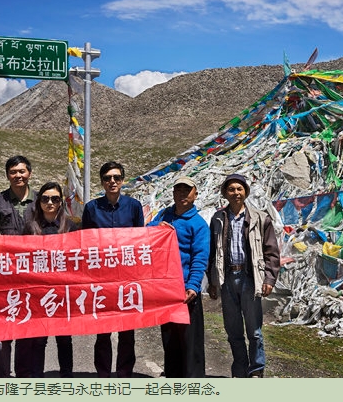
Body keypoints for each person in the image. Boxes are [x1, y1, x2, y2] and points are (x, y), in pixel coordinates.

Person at [207, 174, 280, 378]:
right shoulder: (218, 219)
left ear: (246, 192)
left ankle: (256, 369)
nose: (236, 193)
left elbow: (272, 252)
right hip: (227, 278)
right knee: (233, 331)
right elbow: (212, 252)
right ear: (225, 194)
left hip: (250, 278)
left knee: (254, 330)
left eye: (239, 189)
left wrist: (269, 278)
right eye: (231, 189)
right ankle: (239, 369)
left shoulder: (260, 218)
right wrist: (212, 282)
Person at [81, 161, 144, 378]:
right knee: (103, 330)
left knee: (127, 331)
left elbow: (140, 241)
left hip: (127, 278)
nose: (112, 181)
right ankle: (104, 373)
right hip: (102, 279)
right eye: (107, 178)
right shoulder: (91, 208)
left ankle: (125, 372)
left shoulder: (134, 207)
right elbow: (85, 243)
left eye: (116, 177)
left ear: (123, 180)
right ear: (102, 182)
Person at [148, 176, 209, 378]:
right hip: (166, 289)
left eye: (187, 190)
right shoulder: (166, 215)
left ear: (195, 194)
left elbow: (200, 257)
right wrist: (159, 228)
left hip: (186, 290)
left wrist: (193, 285)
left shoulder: (198, 224)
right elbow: (147, 232)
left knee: (190, 341)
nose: (182, 194)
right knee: (170, 339)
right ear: (173, 193)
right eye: (178, 190)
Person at [20, 182, 78, 378]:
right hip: (39, 292)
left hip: (64, 292)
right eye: (45, 199)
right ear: (39, 202)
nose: (50, 202)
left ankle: (66, 377)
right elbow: (22, 258)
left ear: (61, 201)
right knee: (39, 339)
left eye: (54, 198)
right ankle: (37, 378)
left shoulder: (70, 226)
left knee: (64, 339)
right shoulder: (30, 227)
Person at [0, 155, 36, 378]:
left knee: (27, 326)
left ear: (29, 173)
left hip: (32, 273)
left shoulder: (40, 199)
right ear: (7, 175)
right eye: (13, 172)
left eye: (22, 171)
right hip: (3, 274)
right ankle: (3, 376)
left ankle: (24, 375)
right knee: (2, 328)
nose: (18, 175)